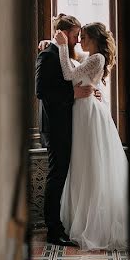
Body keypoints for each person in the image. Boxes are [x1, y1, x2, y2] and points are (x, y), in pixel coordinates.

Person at [54, 21, 128, 251]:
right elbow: (79, 74)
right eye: (80, 36)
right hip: (82, 111)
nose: (81, 40)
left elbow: (68, 73)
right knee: (82, 165)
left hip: (87, 114)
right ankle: (82, 217)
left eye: (84, 37)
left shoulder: (96, 58)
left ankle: (94, 224)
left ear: (95, 38)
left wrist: (62, 46)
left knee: (90, 165)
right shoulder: (90, 59)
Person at [35, 14, 95, 247]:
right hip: (55, 126)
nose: (78, 39)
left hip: (66, 124)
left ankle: (59, 225)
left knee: (60, 174)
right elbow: (41, 91)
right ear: (63, 33)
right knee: (56, 175)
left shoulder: (63, 54)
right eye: (75, 34)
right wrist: (73, 95)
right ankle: (53, 230)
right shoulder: (47, 54)